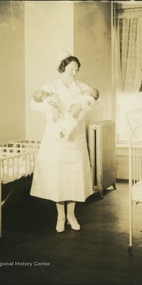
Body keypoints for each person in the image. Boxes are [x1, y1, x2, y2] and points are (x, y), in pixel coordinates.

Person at [30, 50, 99, 233]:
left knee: (74, 177)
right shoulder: (50, 86)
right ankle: (60, 216)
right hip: (55, 139)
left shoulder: (82, 87)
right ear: (63, 68)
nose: (74, 73)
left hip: (75, 138)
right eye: (71, 69)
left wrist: (81, 103)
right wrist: (50, 108)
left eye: (76, 69)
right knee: (57, 177)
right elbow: (35, 101)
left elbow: (93, 98)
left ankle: (72, 215)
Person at [32, 88, 98, 140]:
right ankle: (60, 133)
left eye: (76, 70)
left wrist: (81, 105)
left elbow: (93, 102)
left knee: (68, 123)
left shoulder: (87, 96)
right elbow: (35, 104)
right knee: (60, 124)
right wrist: (53, 107)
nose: (46, 93)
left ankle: (63, 133)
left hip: (68, 113)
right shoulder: (46, 97)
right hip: (53, 113)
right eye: (43, 94)